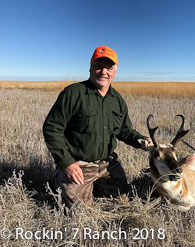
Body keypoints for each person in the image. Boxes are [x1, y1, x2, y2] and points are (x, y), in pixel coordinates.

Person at [43, 46, 153, 207]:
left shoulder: (117, 100)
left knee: (121, 203)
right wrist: (67, 163)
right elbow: (52, 128)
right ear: (90, 68)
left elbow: (124, 130)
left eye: (109, 68)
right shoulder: (73, 93)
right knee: (79, 211)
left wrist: (141, 140)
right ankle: (59, 177)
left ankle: (93, 186)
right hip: (79, 164)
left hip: (107, 164)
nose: (103, 72)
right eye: (98, 66)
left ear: (115, 71)